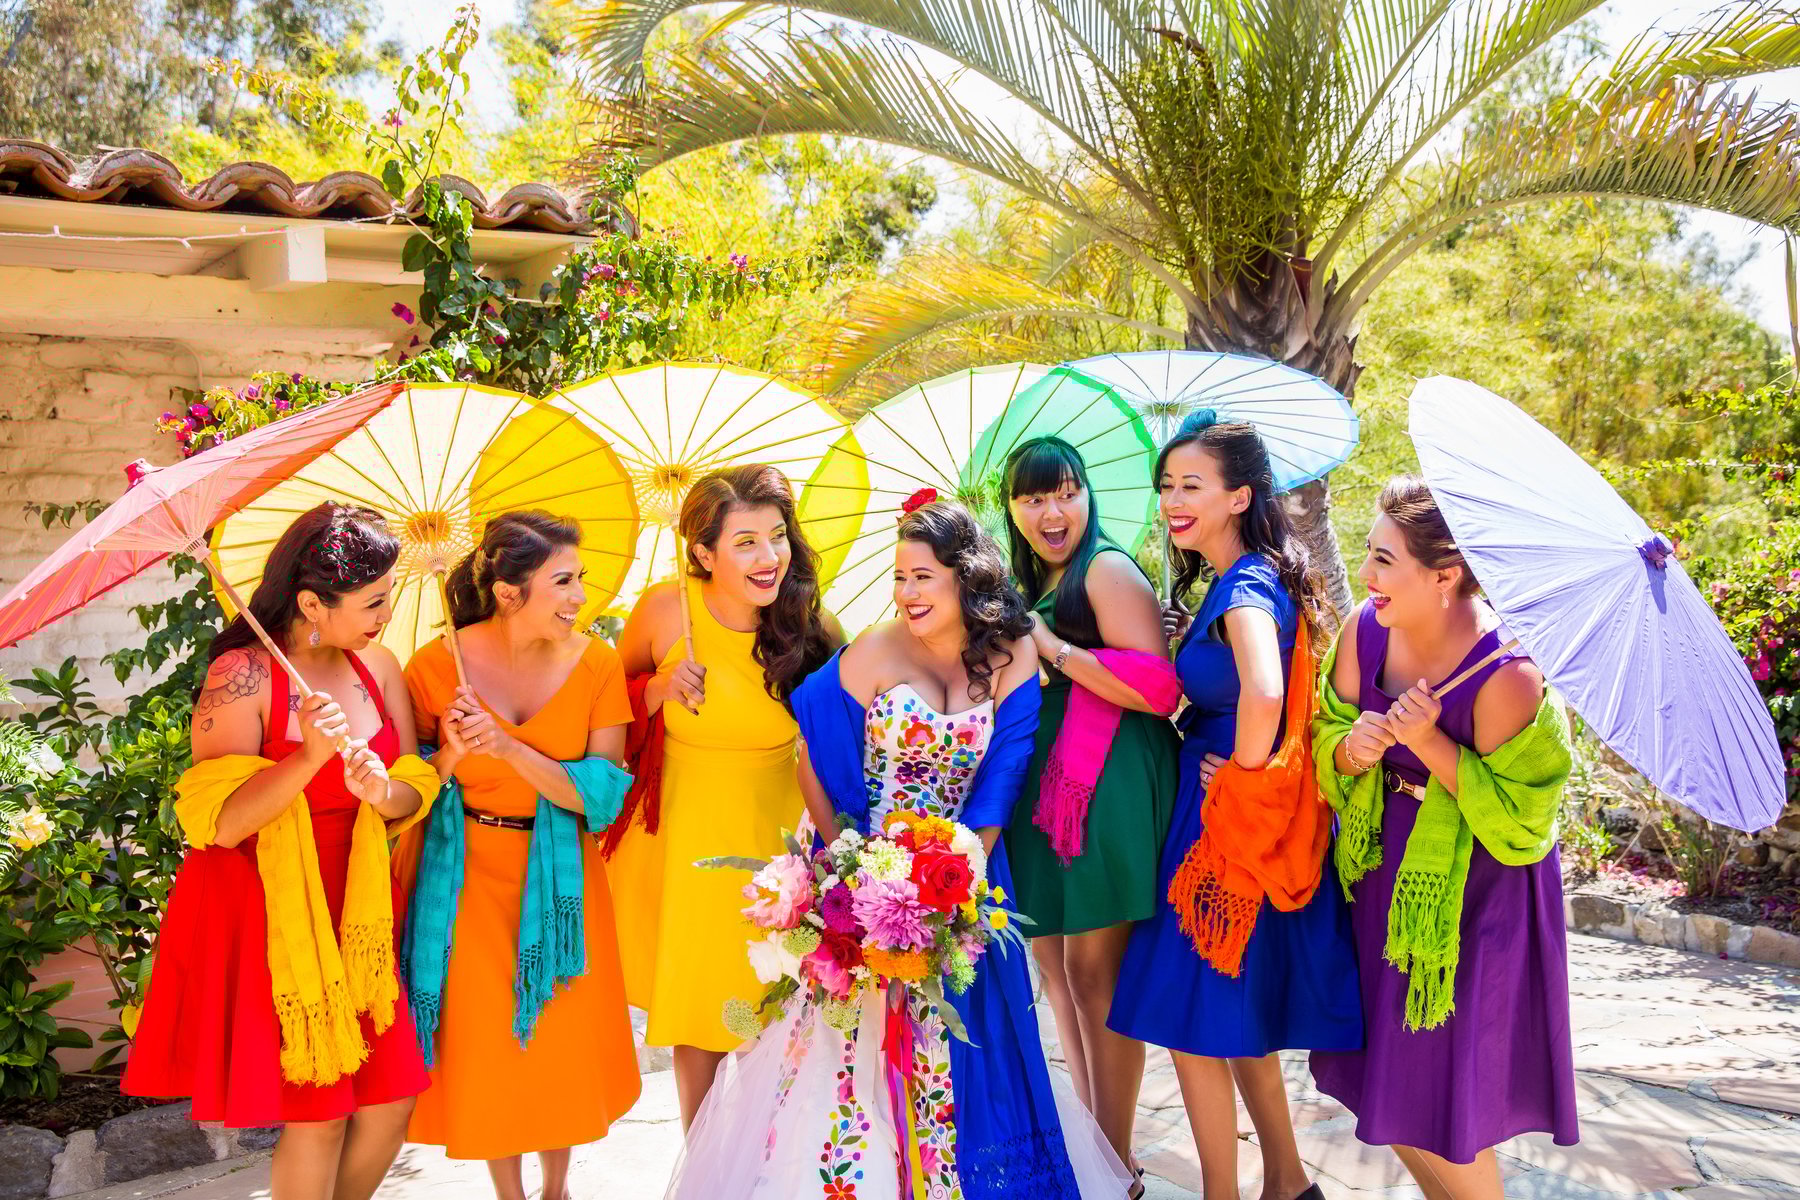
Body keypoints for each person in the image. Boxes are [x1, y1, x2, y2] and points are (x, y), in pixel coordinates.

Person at [666, 498, 1133, 1200]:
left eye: (923, 577)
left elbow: (1005, 775)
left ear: (964, 578)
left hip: (966, 879)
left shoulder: (1013, 652)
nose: (907, 593)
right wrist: (853, 875)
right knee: (852, 1058)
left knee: (971, 1053)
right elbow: (813, 761)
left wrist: (956, 881)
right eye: (899, 577)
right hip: (864, 876)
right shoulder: (875, 650)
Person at [124, 503, 439, 1200]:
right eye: (373, 601)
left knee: (392, 1102)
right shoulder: (242, 673)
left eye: (388, 596)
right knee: (319, 1115)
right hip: (271, 909)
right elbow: (218, 823)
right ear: (311, 604)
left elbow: (413, 786)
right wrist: (308, 759)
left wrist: (382, 790)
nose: (386, 614)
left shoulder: (379, 666)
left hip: (359, 910)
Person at [1108, 415, 1360, 1200]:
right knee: (1229, 1010)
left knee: (1186, 1020)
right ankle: (1287, 1181)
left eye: (1193, 486)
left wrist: (1242, 781)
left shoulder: (1246, 584)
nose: (1173, 501)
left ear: (1240, 496)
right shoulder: (1241, 579)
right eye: (1166, 486)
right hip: (1227, 811)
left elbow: (1265, 691)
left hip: (1222, 819)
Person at [1309, 476, 1577, 1199]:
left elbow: (1522, 821)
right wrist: (1353, 749)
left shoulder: (1509, 674)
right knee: (1388, 1082)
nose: (1366, 573)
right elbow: (1326, 729)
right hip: (1379, 873)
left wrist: (1429, 743)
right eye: (1369, 553)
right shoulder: (1366, 630)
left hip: (1474, 899)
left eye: (1384, 559)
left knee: (1445, 1092)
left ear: (1445, 575)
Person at [400, 511, 639, 1200]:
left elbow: (604, 793)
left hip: (564, 881)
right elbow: (409, 787)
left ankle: (557, 1188)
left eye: (580, 579)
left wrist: (508, 748)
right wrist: (450, 751)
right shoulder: (433, 667)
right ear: (508, 593)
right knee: (489, 1045)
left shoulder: (597, 663)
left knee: (559, 1039)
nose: (579, 597)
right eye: (562, 582)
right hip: (466, 877)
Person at [607, 464, 843, 1128]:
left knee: (776, 1012)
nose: (769, 557)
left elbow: (855, 724)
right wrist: (657, 689)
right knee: (701, 1013)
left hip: (779, 837)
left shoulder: (813, 623)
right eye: (745, 543)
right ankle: (704, 1165)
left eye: (777, 536)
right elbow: (605, 712)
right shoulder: (664, 608)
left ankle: (768, 1162)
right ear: (704, 553)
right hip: (685, 836)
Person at [999, 436, 1178, 1174]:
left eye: (1067, 492)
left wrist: (1052, 647)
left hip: (1106, 786)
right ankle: (1095, 1147)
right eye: (1034, 498)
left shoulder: (1104, 569)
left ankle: (1116, 1159)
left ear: (1088, 496)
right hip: (1049, 795)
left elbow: (1158, 687)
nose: (1053, 511)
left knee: (1095, 973)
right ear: (1012, 509)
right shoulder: (1030, 579)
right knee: (1059, 971)